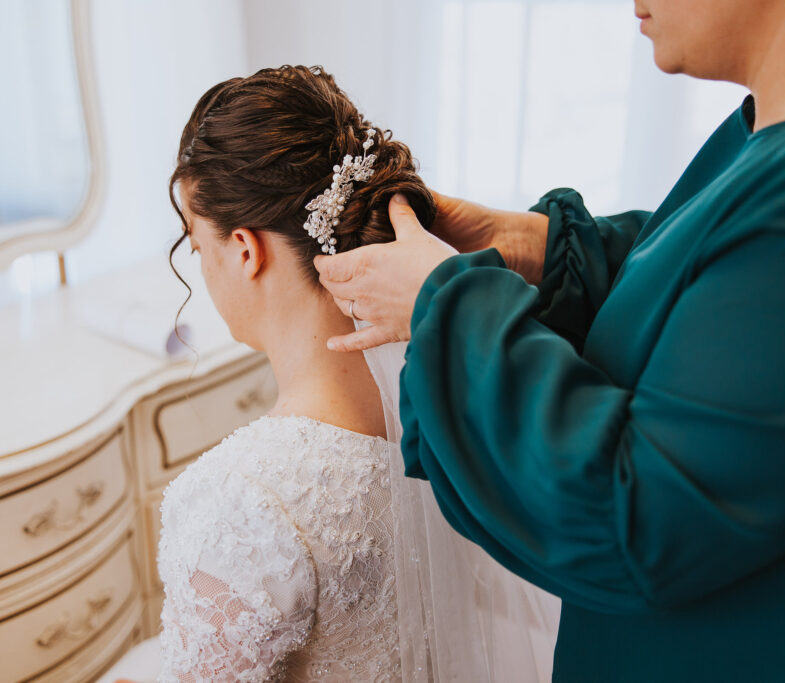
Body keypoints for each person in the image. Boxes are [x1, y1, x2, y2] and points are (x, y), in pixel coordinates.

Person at [312, 1, 785, 681]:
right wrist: (533, 247)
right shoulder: (780, 136)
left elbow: (641, 516)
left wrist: (444, 307)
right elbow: (707, 298)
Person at [109, 65, 559, 683]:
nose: (200, 267)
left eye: (196, 244)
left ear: (245, 249)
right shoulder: (440, 410)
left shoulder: (240, 503)